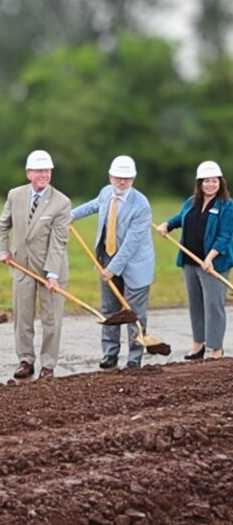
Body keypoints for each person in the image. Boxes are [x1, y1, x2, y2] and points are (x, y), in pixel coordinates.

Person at [72, 155, 155, 369]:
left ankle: (134, 357)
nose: (121, 182)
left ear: (133, 179)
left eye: (126, 178)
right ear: (110, 176)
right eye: (118, 177)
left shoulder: (141, 205)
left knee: (133, 313)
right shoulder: (106, 192)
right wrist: (70, 216)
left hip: (135, 264)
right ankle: (110, 354)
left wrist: (113, 268)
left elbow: (131, 244)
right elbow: (93, 206)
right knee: (109, 310)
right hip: (107, 258)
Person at [0, 149, 71, 380]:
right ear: (29, 173)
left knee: (51, 320)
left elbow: (59, 243)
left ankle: (48, 364)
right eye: (39, 171)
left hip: (52, 269)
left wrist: (52, 274)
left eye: (47, 170)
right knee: (23, 317)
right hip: (21, 267)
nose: (44, 175)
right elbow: (2, 225)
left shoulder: (61, 202)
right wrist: (3, 250)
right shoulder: (15, 195)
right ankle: (25, 360)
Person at [156, 160, 233, 360]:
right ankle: (198, 344)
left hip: (213, 263)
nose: (210, 185)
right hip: (189, 261)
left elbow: (225, 236)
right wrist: (167, 225)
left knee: (213, 305)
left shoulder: (227, 206)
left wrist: (210, 258)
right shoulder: (192, 202)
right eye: (206, 181)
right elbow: (180, 218)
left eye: (214, 181)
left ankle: (216, 348)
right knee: (195, 303)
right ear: (200, 183)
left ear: (220, 182)